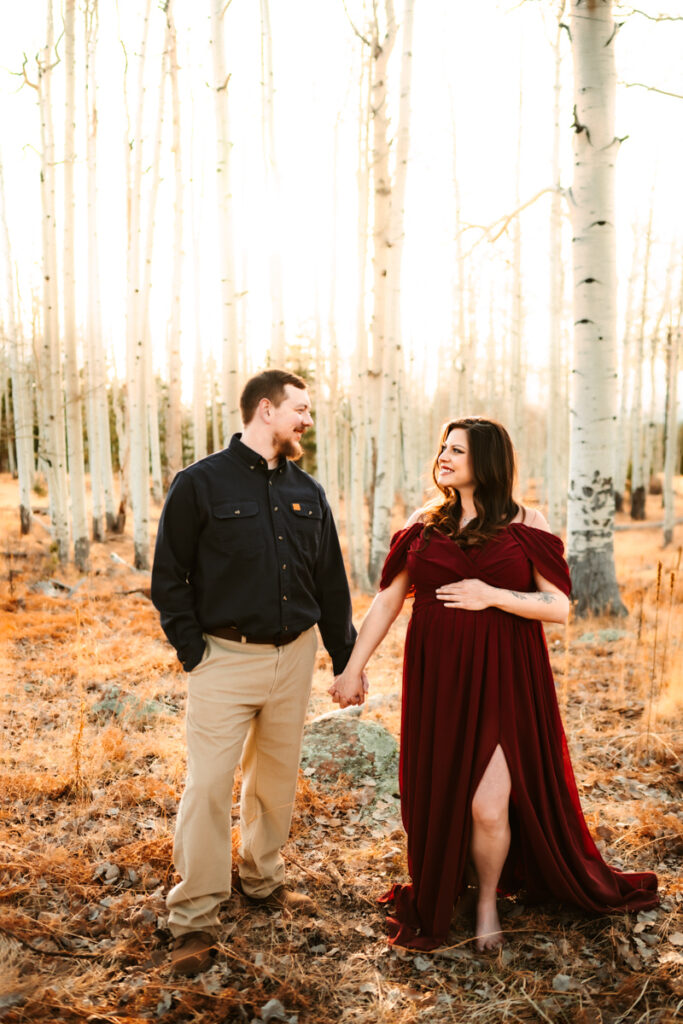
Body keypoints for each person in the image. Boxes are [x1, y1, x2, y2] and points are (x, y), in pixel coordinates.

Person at [330, 417, 658, 952]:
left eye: (457, 449)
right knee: (438, 792)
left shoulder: (529, 522)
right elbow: (388, 601)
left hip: (507, 678)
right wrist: (352, 666)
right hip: (439, 679)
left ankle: (486, 901)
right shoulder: (424, 523)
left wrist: (493, 594)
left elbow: (559, 608)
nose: (444, 456)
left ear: (487, 460)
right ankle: (450, 886)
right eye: (442, 447)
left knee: (489, 804)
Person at [151, 369, 358, 976]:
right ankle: (194, 916)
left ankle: (262, 879)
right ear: (266, 411)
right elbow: (170, 578)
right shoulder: (199, 484)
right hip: (224, 659)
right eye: (301, 409)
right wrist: (196, 653)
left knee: (275, 781)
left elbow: (330, 582)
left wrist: (344, 660)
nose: (307, 420)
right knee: (210, 784)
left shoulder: (309, 491)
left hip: (293, 660)